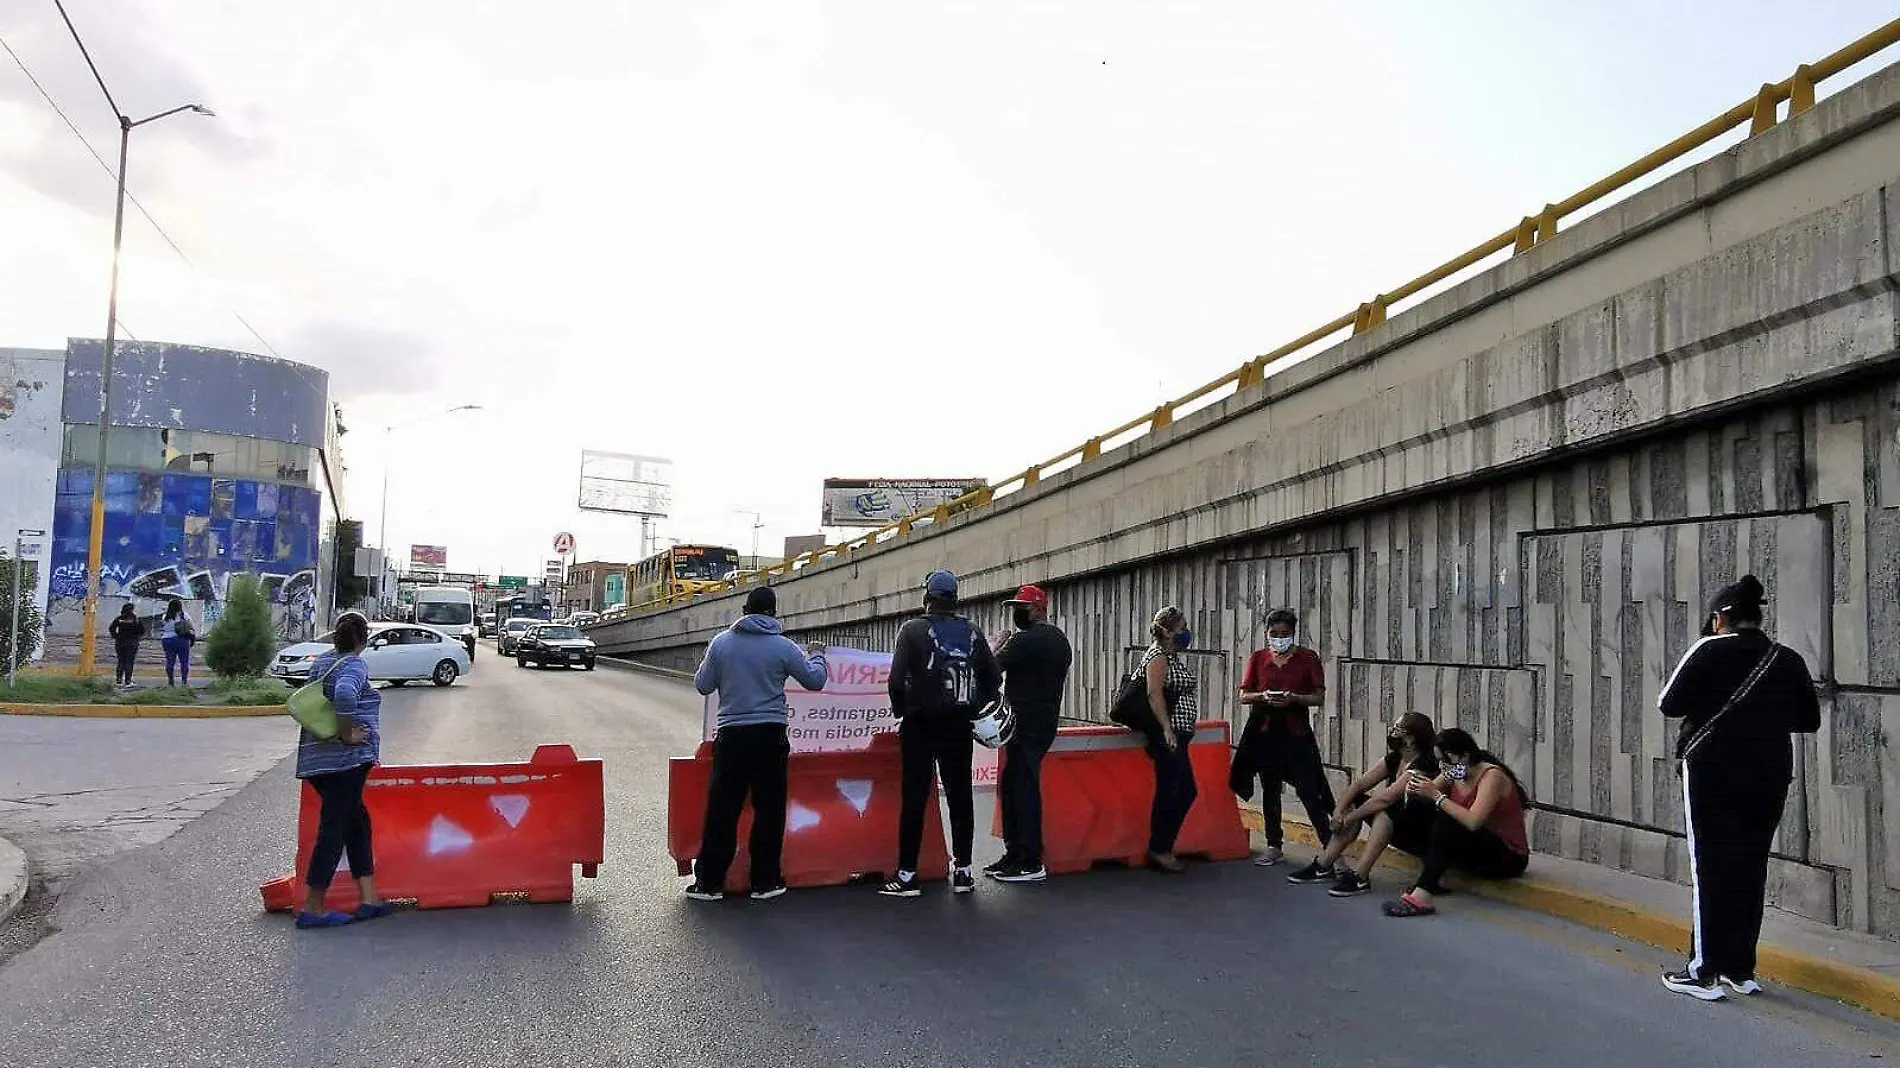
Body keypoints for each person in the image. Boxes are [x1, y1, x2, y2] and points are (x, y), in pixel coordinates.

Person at [1657, 574, 1820, 1001]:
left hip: (1713, 771)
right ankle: (1740, 969)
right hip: (1769, 773)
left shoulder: (1710, 650)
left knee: (1710, 867)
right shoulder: (1787, 659)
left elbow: (1668, 703)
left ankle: (1703, 971)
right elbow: (1809, 720)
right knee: (1750, 867)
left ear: (1721, 618)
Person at [684, 586, 829, 902]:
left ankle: (709, 883)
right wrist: (818, 654)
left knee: (723, 809)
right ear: (773, 614)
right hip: (770, 735)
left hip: (732, 735)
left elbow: (702, 685)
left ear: (744, 611)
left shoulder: (722, 644)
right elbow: (815, 680)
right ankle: (765, 881)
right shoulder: (784, 647)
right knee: (769, 809)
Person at [881, 570, 1001, 898]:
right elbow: (993, 679)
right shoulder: (973, 632)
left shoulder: (912, 630)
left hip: (920, 724)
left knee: (915, 798)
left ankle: (907, 875)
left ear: (927, 598)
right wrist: (975, 709)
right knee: (961, 796)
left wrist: (902, 709)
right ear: (955, 599)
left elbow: (895, 681)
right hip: (959, 725)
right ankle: (963, 871)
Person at [294, 611, 392, 929]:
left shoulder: (322, 662)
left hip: (317, 762)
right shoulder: (353, 664)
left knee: (357, 824)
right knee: (334, 830)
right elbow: (346, 693)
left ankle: (369, 898)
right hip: (343, 763)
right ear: (363, 640)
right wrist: (348, 734)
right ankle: (313, 907)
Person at [1284, 712, 1439, 896]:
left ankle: (1360, 876)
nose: (1392, 732)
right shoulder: (1395, 758)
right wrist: (1338, 812)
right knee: (1356, 802)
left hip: (1424, 833)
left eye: (1397, 729)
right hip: (1399, 823)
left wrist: (1349, 818)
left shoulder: (1425, 762)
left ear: (1411, 739)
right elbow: (1358, 785)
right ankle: (1323, 865)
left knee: (1383, 809)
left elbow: (1387, 798)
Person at [1381, 727, 1530, 918]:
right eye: (1439, 761)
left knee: (1448, 816)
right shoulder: (1456, 772)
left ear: (1464, 757)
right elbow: (1428, 794)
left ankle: (1424, 894)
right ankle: (1431, 876)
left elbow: (1473, 821)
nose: (1442, 766)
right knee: (1412, 812)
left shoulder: (1491, 776)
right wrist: (1415, 790)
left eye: (1445, 760)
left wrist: (1437, 797)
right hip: (1475, 849)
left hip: (1507, 857)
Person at [988, 584, 1072, 884]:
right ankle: (1015, 854)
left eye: (1021, 607)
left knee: (1020, 788)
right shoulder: (1059, 640)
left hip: (1024, 723)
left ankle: (1028, 860)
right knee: (1015, 784)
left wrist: (999, 645)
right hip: (1044, 720)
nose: (1016, 613)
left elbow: (991, 669)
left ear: (1038, 609)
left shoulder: (1025, 640)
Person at [1238, 609, 1336, 866]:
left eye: (1285, 634)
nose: (1279, 639)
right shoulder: (1258, 659)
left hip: (1296, 731)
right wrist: (1263, 696)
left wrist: (1294, 698)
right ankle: (1273, 844)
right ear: (1266, 633)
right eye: (1274, 634)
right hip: (1266, 731)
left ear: (1293, 633)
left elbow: (1318, 698)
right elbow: (1244, 694)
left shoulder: (1307, 658)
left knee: (1309, 789)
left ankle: (1330, 846)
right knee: (1270, 789)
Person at [1140, 606, 1200, 874]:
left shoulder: (1170, 656)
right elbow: (1154, 694)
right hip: (1170, 736)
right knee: (1178, 790)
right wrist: (1166, 728)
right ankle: (1160, 848)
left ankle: (1163, 846)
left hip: (1179, 733)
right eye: (1182, 628)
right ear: (1168, 631)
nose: (1186, 633)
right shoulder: (1158, 657)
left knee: (1179, 790)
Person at [108, 605, 146, 688]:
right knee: (129, 662)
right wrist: (137, 637)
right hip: (132, 643)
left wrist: (116, 636)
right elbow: (142, 631)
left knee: (121, 661)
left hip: (120, 642)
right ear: (132, 610)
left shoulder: (119, 618)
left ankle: (118, 681)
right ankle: (128, 681)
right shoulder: (135, 619)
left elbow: (111, 628)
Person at [160, 598, 195, 686]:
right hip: (182, 639)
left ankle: (171, 681)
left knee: (170, 662)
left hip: (167, 639)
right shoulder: (184, 615)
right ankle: (184, 682)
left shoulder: (165, 617)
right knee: (184, 662)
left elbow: (163, 627)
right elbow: (191, 626)